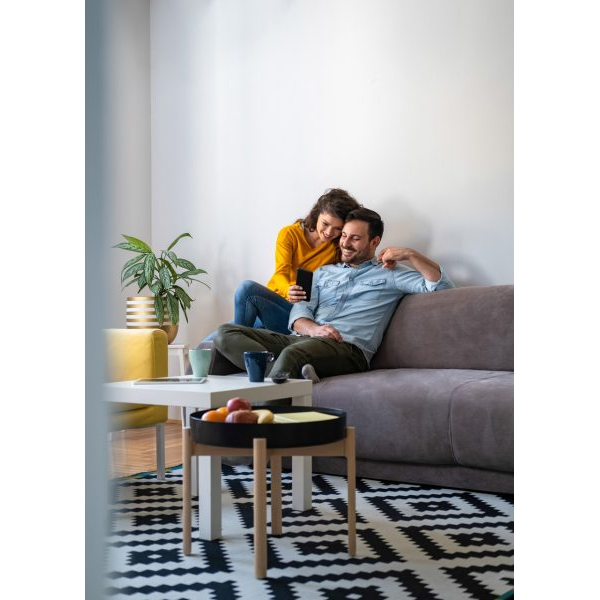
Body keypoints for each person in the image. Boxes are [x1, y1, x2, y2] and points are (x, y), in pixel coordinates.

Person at [214, 207, 455, 382]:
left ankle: (261, 433)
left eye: (356, 238)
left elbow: (441, 288)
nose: (346, 243)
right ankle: (286, 375)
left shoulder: (390, 272)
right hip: (304, 339)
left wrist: (412, 255)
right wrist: (313, 329)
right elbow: (300, 309)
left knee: (293, 354)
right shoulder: (319, 272)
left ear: (375, 241)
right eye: (344, 236)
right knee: (225, 334)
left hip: (348, 350)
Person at [202, 189, 361, 343]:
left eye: (337, 228)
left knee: (245, 293)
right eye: (325, 224)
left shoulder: (337, 247)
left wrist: (386, 253)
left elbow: (361, 250)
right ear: (317, 214)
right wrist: (288, 290)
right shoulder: (290, 234)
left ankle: (235, 344)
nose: (329, 232)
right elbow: (280, 273)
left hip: (298, 316)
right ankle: (235, 344)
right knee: (207, 346)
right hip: (271, 304)